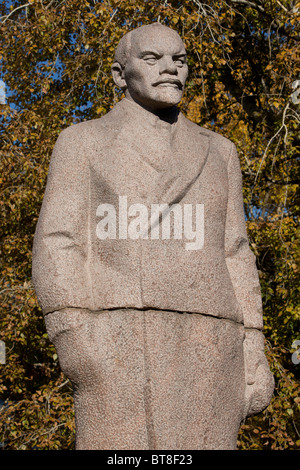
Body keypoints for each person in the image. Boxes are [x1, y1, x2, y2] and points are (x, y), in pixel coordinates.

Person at [32, 23, 274, 450]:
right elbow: (58, 241)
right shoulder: (83, 143)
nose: (170, 70)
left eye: (179, 60)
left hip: (210, 346)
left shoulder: (219, 151)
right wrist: (72, 335)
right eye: (152, 59)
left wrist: (253, 342)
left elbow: (236, 252)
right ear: (118, 74)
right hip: (116, 339)